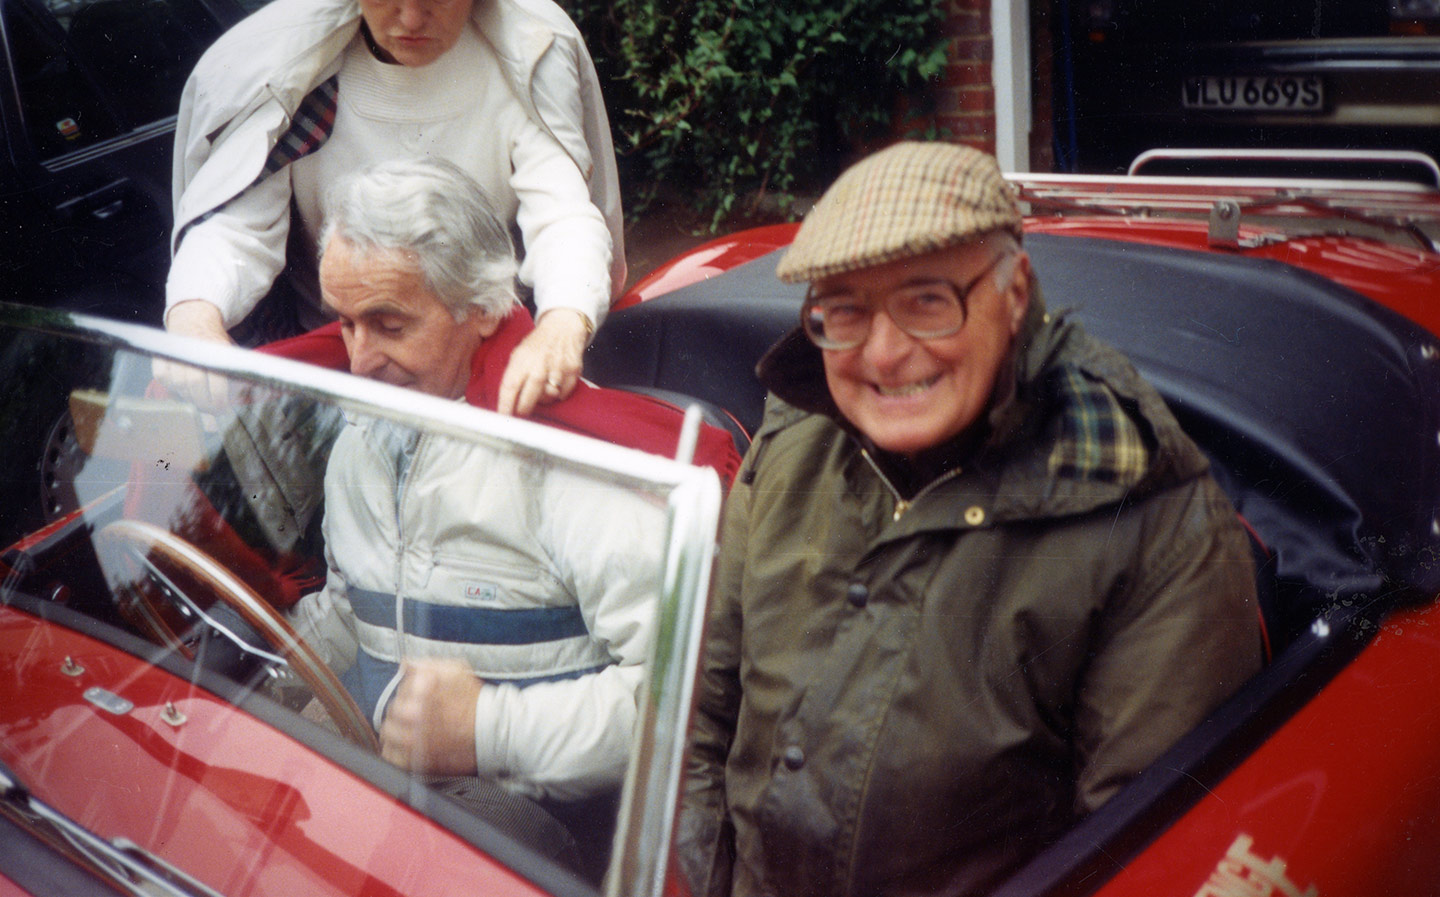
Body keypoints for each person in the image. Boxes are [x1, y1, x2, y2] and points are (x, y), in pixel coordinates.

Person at [677, 142, 1264, 897]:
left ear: (1015, 292)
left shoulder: (1154, 523)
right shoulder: (791, 445)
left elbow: (1141, 861)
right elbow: (703, 723)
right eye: (845, 310)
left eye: (927, 300)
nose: (885, 354)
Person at [279, 159, 736, 829]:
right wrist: (248, 674)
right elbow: (355, 606)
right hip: (395, 791)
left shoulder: (571, 467)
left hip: (549, 828)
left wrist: (487, 728)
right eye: (345, 324)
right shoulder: (366, 436)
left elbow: (691, 695)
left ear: (485, 309)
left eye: (389, 324)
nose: (358, 361)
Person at [165, 0, 623, 416]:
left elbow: (563, 215)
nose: (410, 18)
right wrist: (195, 316)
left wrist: (562, 321)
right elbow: (237, 226)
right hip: (337, 360)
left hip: (478, 356)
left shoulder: (522, 57)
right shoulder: (295, 69)